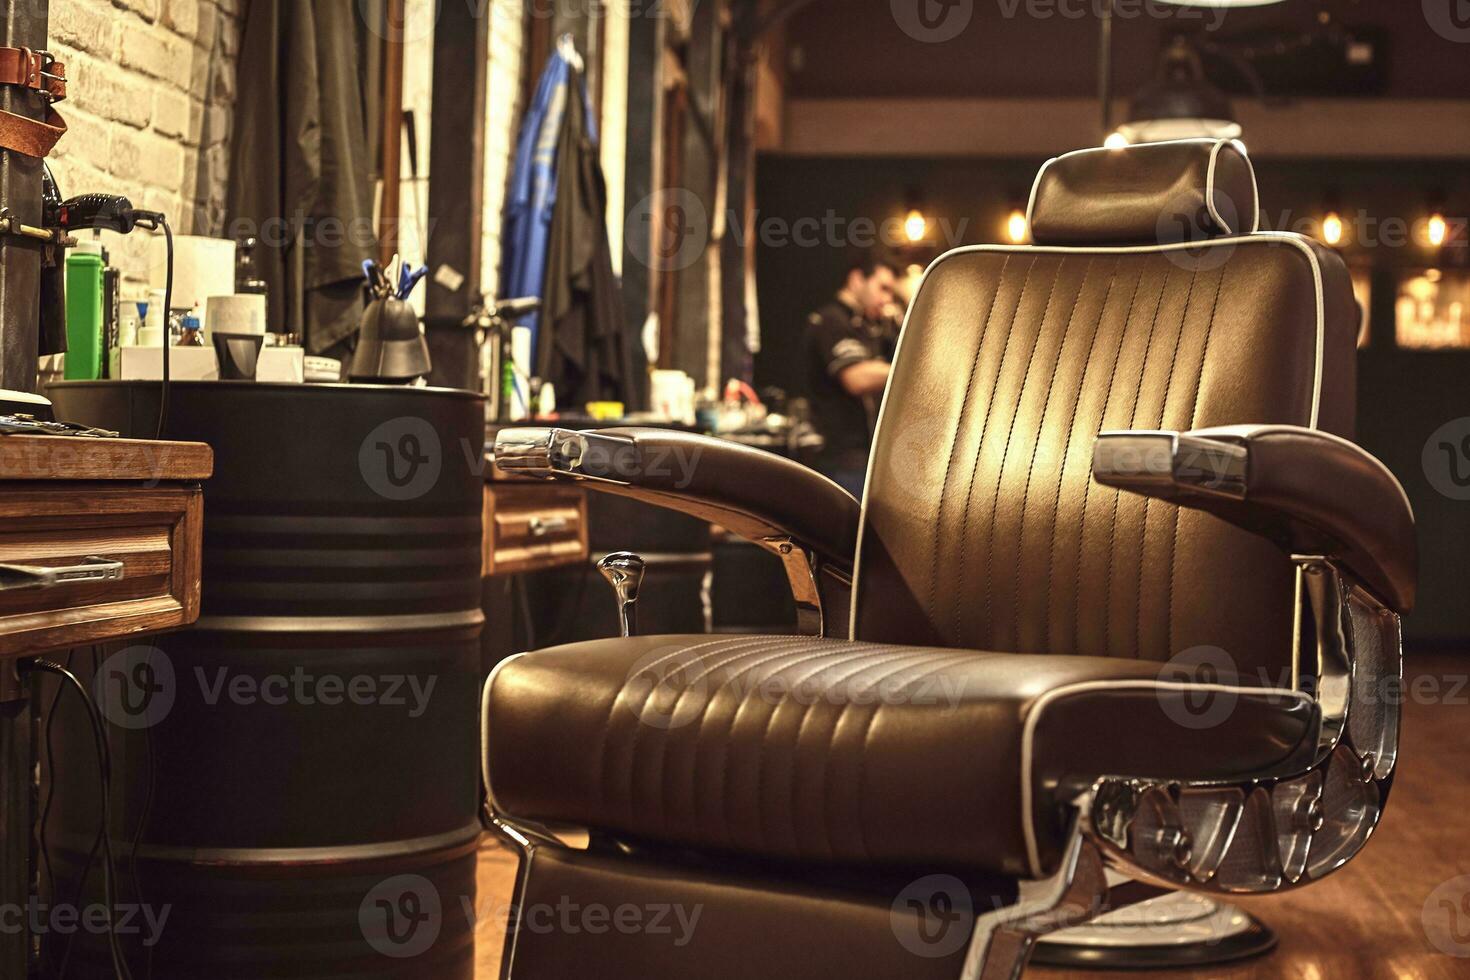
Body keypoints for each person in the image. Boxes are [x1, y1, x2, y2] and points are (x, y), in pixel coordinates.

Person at [802, 252, 900, 498]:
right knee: (848, 534)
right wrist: (911, 369)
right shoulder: (831, 320)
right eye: (883, 288)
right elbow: (856, 378)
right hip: (840, 460)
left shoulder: (871, 327)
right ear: (857, 280)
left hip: (868, 457)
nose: (887, 299)